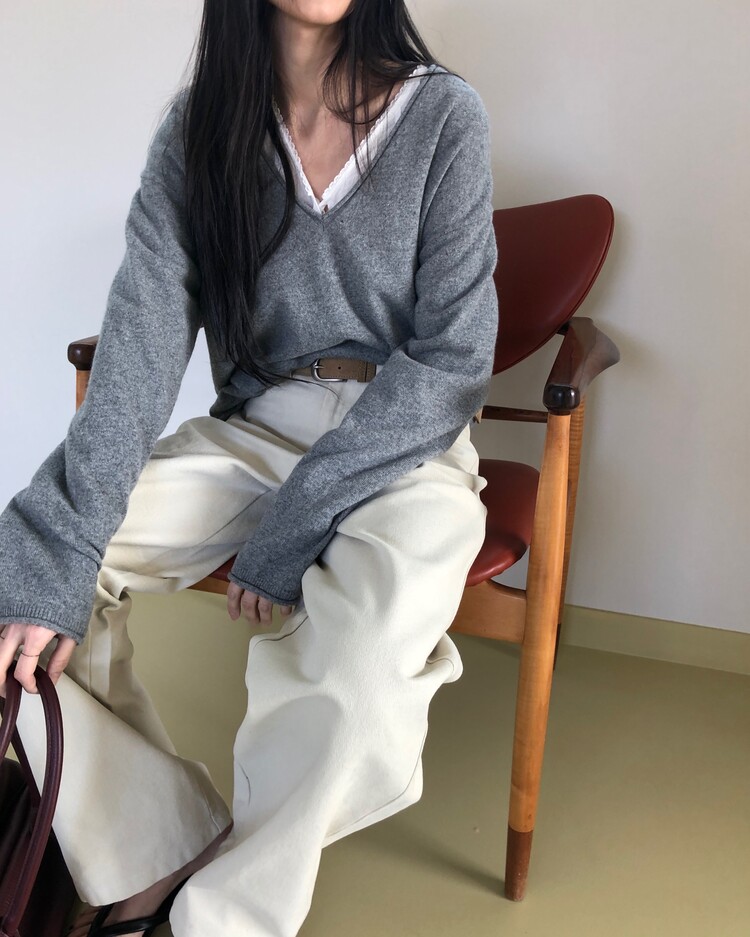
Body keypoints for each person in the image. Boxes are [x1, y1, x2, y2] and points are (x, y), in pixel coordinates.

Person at [0, 0, 498, 934]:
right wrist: (56, 540)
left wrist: (298, 520)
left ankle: (225, 918)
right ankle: (151, 850)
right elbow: (142, 345)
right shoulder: (199, 135)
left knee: (359, 672)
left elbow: (454, 359)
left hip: (405, 441)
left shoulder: (442, 116)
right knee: (19, 582)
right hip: (261, 425)